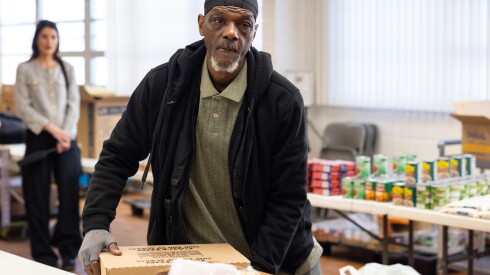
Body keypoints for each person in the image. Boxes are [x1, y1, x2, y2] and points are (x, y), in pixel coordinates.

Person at [79, 0, 323, 274]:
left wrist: (261, 268)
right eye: (219, 20)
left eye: (244, 25)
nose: (231, 33)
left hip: (278, 261)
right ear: (201, 24)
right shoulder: (162, 86)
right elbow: (117, 155)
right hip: (195, 263)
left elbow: (288, 197)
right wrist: (96, 223)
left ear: (254, 33)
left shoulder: (282, 100)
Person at [14, 20, 82, 271]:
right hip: (39, 138)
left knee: (69, 197)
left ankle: (68, 250)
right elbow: (23, 106)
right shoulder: (25, 69)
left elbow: (73, 104)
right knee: (37, 198)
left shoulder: (67, 68)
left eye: (53, 37)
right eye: (44, 36)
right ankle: (43, 255)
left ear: (58, 40)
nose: (49, 41)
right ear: (37, 39)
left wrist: (66, 135)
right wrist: (53, 130)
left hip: (67, 138)